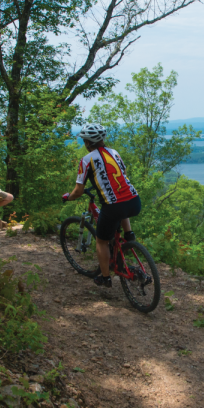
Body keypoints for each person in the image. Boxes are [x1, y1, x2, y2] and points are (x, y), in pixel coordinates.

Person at [61, 122, 140, 288]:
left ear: (88, 143)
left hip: (113, 206)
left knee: (101, 240)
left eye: (84, 141)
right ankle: (129, 235)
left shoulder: (86, 160)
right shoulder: (114, 152)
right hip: (134, 200)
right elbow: (123, 175)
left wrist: (68, 197)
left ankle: (105, 278)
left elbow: (78, 191)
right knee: (121, 201)